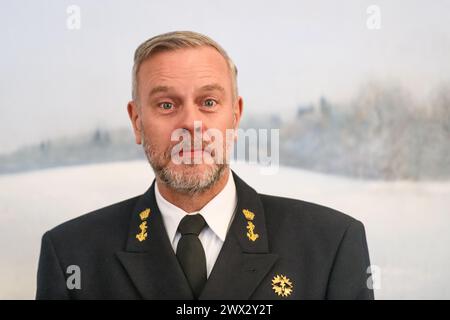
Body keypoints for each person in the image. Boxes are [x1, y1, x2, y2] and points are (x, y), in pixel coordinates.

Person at [36, 31, 374, 300]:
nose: (192, 125)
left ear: (236, 115)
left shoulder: (332, 244)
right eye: (166, 104)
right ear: (137, 121)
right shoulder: (69, 254)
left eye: (209, 102)